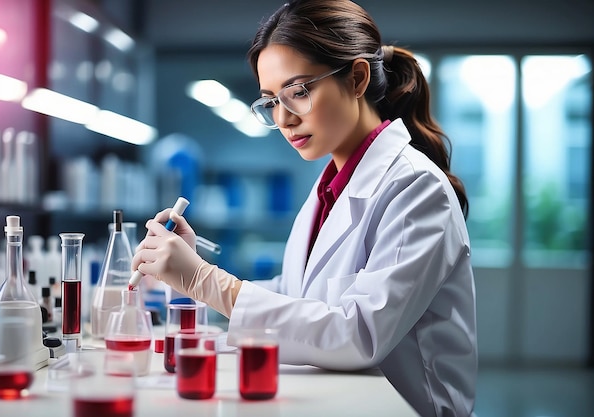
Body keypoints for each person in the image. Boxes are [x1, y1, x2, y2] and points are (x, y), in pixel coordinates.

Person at [132, 0, 477, 415]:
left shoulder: (417, 188)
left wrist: (208, 282)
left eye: (298, 92)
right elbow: (301, 297)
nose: (284, 118)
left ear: (357, 79)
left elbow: (359, 333)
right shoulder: (330, 184)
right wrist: (194, 274)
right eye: (270, 101)